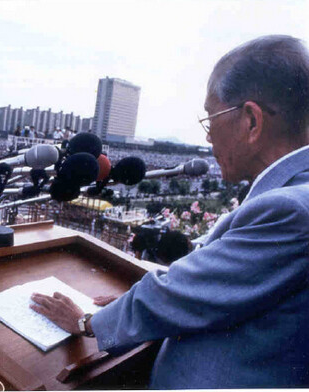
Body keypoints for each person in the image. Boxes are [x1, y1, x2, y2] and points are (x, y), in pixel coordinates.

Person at [30, 35, 309, 388]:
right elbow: (214, 284)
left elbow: (188, 294)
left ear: (252, 121)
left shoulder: (290, 209)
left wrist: (87, 321)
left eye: (211, 117)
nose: (208, 137)